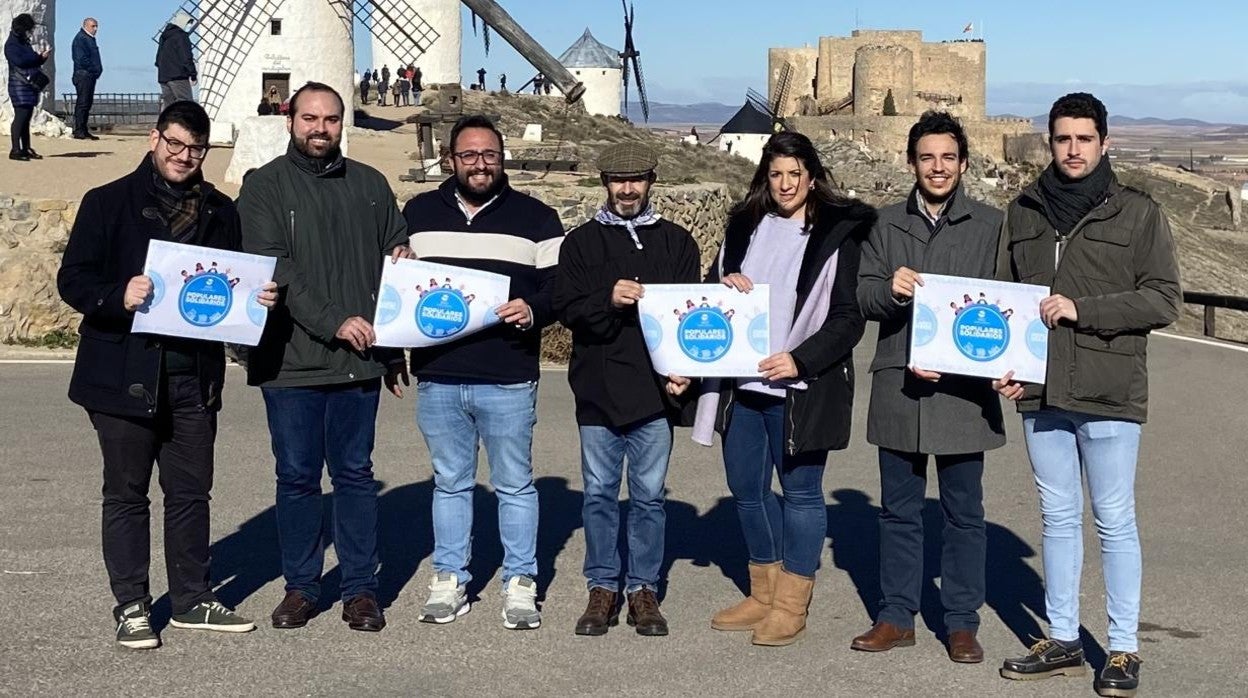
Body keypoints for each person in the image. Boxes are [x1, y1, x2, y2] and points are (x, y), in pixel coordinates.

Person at [57, 100, 277, 650]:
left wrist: (259, 297)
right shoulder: (107, 203)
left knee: (190, 492)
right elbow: (73, 279)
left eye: (195, 149)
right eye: (175, 144)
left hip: (193, 377)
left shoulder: (222, 211)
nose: (184, 156)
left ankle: (191, 598)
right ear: (154, 139)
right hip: (123, 373)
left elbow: (234, 284)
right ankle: (132, 604)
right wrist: (116, 295)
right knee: (127, 494)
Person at [994, 92, 1181, 698]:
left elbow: (1163, 298)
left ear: (1104, 141)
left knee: (1114, 519)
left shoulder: (1137, 213)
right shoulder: (1022, 211)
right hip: (1042, 390)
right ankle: (1064, 635)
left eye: (1084, 138)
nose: (1072, 149)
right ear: (1049, 142)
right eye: (1062, 139)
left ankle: (1123, 648)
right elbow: (1006, 297)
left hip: (1108, 389)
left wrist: (1083, 310)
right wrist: (1005, 364)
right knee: (1056, 515)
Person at [238, 82, 413, 634]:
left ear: (343, 124)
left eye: (331, 119)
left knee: (355, 476)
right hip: (290, 363)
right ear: (290, 120)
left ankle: (361, 589)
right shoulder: (263, 186)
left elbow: (396, 253)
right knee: (296, 478)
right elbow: (275, 269)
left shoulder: (370, 185)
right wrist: (335, 320)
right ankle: (302, 586)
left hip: (359, 362)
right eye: (310, 118)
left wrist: (403, 267)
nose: (320, 128)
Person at [699, 131, 873, 646]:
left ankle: (793, 603)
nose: (786, 184)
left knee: (800, 494)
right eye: (776, 174)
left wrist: (798, 359)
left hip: (801, 384)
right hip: (741, 383)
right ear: (765, 177)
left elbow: (847, 319)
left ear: (812, 176)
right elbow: (712, 299)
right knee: (747, 491)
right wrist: (722, 284)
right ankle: (763, 591)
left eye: (795, 173)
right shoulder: (743, 227)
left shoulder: (839, 233)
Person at [850, 111, 1004, 663]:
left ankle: (961, 622)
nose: (937, 168)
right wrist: (889, 290)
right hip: (899, 387)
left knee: (964, 512)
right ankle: (896, 616)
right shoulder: (883, 224)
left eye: (947, 157)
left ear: (963, 163)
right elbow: (862, 299)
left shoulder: (992, 226)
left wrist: (1006, 366)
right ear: (911, 163)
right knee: (898, 510)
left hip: (965, 393)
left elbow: (1007, 308)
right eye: (926, 157)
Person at [400, 115, 564, 629]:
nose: (479, 164)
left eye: (489, 154)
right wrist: (400, 261)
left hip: (508, 373)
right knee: (451, 483)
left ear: (502, 157)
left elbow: (560, 290)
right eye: (468, 155)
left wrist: (533, 309)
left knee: (515, 484)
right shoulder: (418, 213)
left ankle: (521, 583)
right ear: (450, 159)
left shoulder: (538, 217)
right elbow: (401, 287)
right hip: (440, 374)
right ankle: (450, 579)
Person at [553, 142, 698, 638]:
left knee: (650, 498)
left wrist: (686, 373)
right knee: (597, 495)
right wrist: (607, 299)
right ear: (605, 184)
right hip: (596, 392)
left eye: (637, 179)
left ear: (652, 180)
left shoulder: (678, 243)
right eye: (618, 180)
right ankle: (602, 588)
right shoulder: (580, 244)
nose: (628, 189)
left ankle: (642, 589)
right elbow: (567, 310)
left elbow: (687, 318)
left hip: (655, 396)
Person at [5, 13, 49, 161]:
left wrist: (40, 58)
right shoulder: (11, 44)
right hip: (19, 84)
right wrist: (37, 58)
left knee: (26, 117)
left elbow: (30, 61)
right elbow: (20, 61)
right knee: (20, 117)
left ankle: (25, 148)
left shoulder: (22, 42)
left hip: (27, 84)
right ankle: (15, 149)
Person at [155, 11, 197, 108]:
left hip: (163, 77)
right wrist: (193, 74)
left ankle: (167, 123)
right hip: (178, 77)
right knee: (185, 105)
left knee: (169, 107)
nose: (189, 26)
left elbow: (158, 58)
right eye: (188, 23)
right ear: (182, 23)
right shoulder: (181, 36)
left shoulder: (164, 36)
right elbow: (186, 57)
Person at [70, 17, 102, 140]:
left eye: (96, 26)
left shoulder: (89, 39)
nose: (96, 29)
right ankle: (79, 130)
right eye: (93, 26)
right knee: (83, 102)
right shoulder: (81, 39)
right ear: (85, 26)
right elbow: (81, 58)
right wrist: (94, 69)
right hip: (83, 74)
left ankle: (83, 129)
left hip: (89, 75)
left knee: (87, 102)